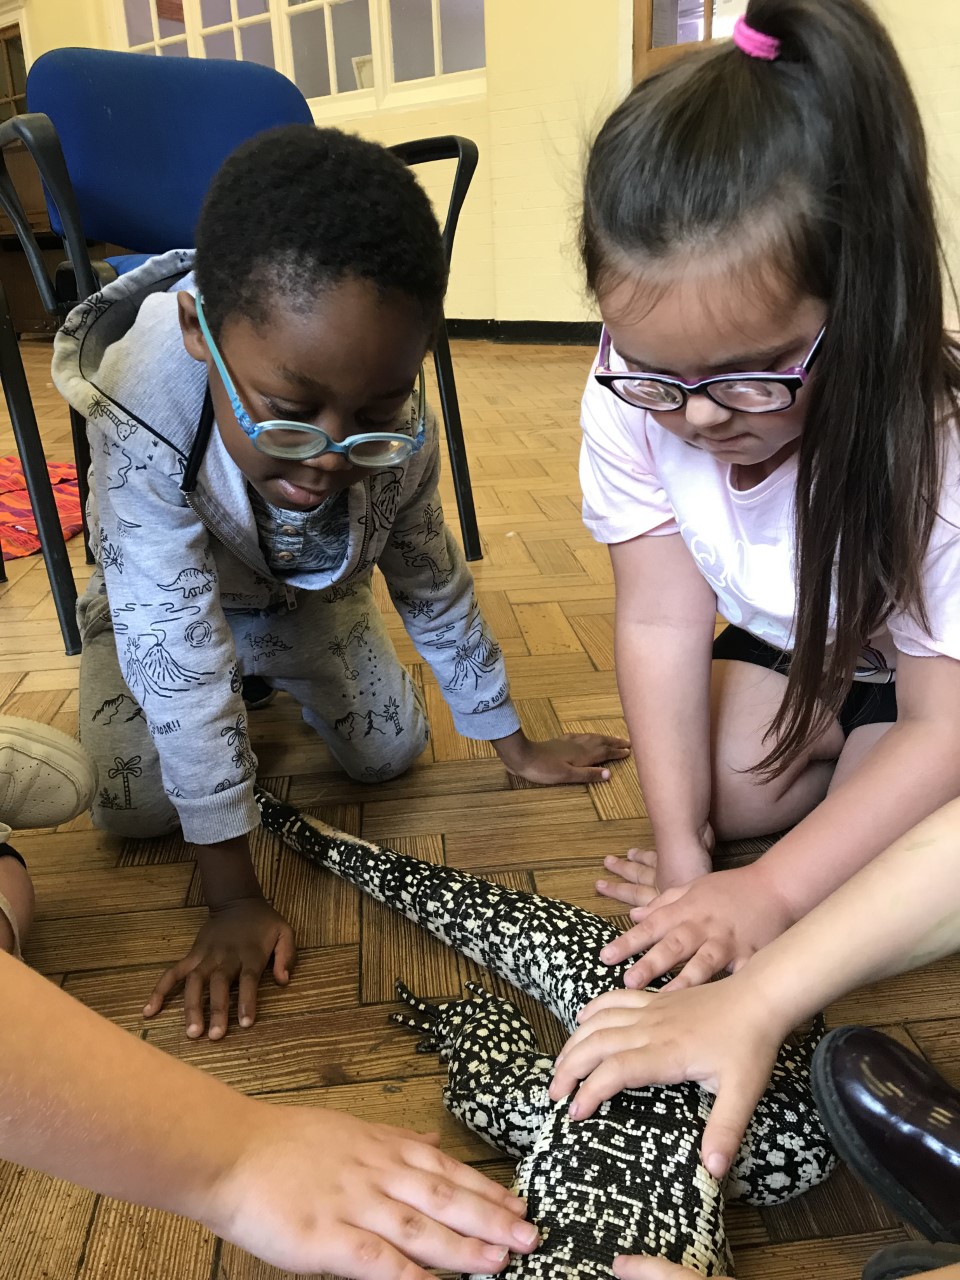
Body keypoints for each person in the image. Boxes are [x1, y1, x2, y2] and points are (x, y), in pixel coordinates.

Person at [52, 125, 628, 1040]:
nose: (329, 451)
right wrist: (235, 897)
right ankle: (211, 691)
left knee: (391, 752)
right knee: (132, 806)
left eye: (375, 411)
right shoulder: (138, 408)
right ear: (201, 330)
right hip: (153, 603)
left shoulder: (394, 424)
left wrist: (512, 744)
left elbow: (433, 579)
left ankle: (270, 660)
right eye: (288, 412)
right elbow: (170, 629)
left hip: (298, 591)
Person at [573, 0, 960, 991]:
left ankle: (852, 749)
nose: (698, 420)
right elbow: (660, 615)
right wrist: (684, 852)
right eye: (658, 374)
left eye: (753, 375)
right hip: (801, 642)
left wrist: (770, 894)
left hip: (929, 675)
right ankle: (834, 743)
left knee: (868, 882)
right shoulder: (633, 389)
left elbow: (942, 717)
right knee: (722, 796)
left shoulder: (934, 438)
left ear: (862, 306)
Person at [0, 717, 538, 1277]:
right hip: (164, 646)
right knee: (134, 808)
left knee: (390, 745)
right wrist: (238, 1157)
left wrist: (240, 1155)